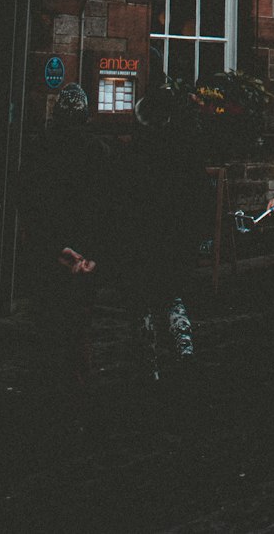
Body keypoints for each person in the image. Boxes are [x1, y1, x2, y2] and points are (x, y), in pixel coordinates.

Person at [19, 83, 113, 406]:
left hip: (50, 253)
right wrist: (94, 256)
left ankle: (47, 391)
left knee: (47, 320)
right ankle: (79, 388)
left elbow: (28, 202)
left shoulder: (39, 147)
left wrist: (53, 248)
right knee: (81, 322)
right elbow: (107, 209)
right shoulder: (99, 151)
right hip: (84, 256)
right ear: (86, 116)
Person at [118, 83, 212, 382]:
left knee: (143, 301)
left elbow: (123, 200)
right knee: (173, 295)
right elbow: (201, 195)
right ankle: (184, 350)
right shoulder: (187, 147)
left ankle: (149, 364)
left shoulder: (135, 151)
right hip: (178, 237)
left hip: (143, 237)